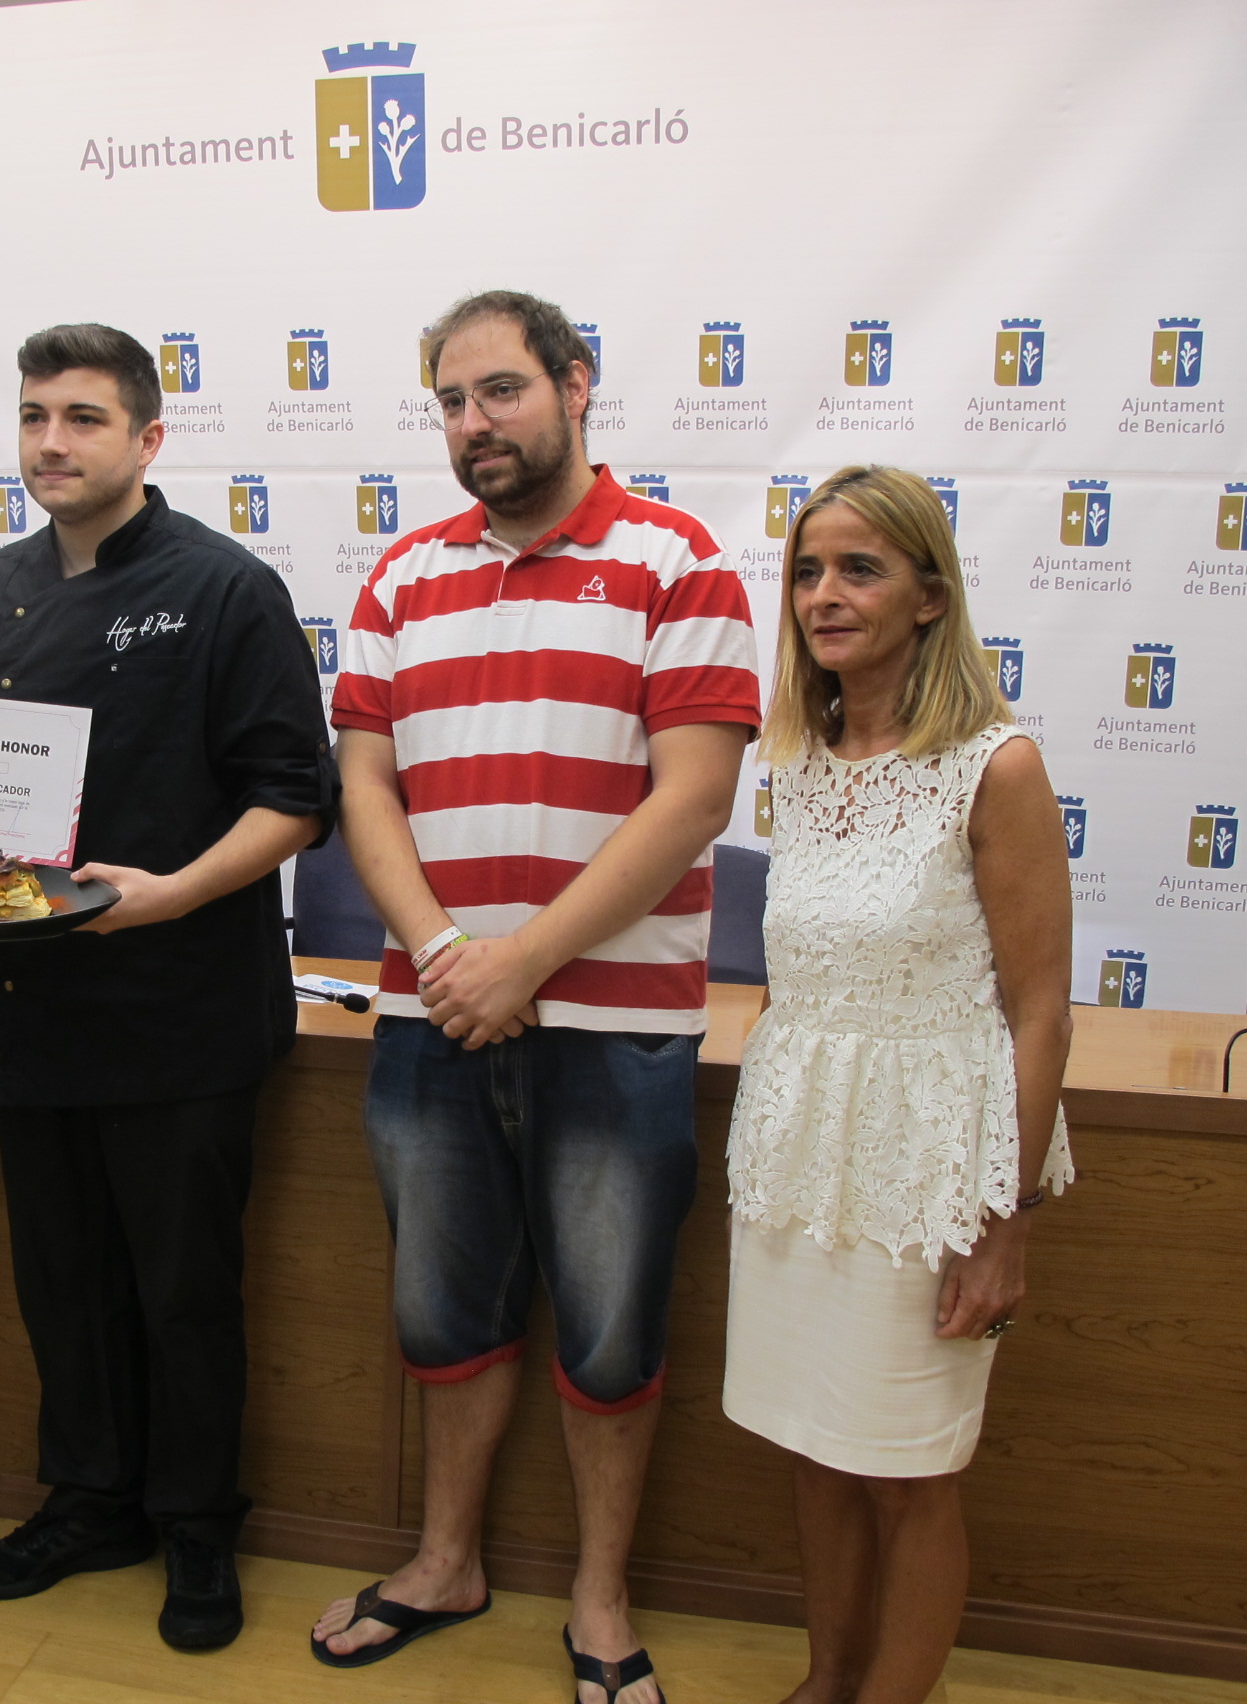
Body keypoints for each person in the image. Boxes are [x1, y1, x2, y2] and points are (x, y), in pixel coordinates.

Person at [312, 290, 759, 1704]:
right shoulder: (399, 579)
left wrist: (525, 961)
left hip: (616, 1029)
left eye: (499, 390)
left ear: (575, 384)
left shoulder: (679, 562)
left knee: (613, 1329)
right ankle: (446, 1562)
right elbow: (365, 790)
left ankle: (602, 1597)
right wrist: (449, 955)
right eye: (449, 402)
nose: (473, 424)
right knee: (442, 1312)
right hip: (432, 1014)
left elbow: (692, 800)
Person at [0, 324, 331, 1652]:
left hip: (183, 1010)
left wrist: (171, 893)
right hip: (35, 1007)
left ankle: (198, 1524)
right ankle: (92, 1500)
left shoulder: (226, 589)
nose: (52, 442)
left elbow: (293, 799)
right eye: (34, 416)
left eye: (84, 418)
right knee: (63, 1283)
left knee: (183, 1292)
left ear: (149, 439)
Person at [722, 464, 1073, 1704]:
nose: (823, 594)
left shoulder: (996, 767)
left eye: (859, 569)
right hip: (800, 1164)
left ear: (930, 595)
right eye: (807, 571)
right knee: (816, 1448)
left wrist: (1003, 1222)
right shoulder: (802, 759)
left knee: (908, 1469)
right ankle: (827, 1682)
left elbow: (1039, 1012)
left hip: (931, 1173)